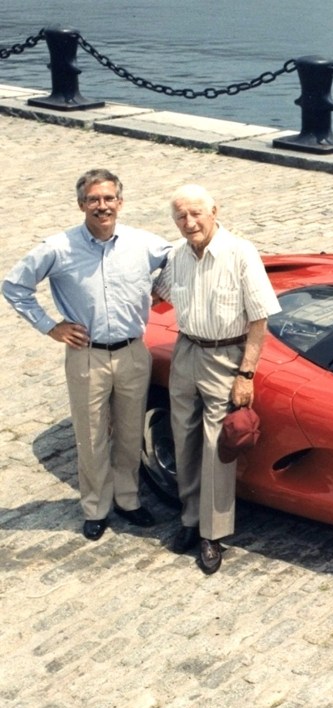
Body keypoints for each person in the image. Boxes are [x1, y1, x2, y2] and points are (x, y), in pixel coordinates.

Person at [2, 169, 171, 540]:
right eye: (93, 199)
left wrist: (161, 287)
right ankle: (95, 507)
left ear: (120, 203)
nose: (102, 206)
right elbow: (14, 286)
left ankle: (128, 500)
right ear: (82, 204)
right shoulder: (58, 248)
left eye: (109, 198)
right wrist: (50, 326)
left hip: (132, 352)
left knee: (129, 434)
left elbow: (178, 260)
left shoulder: (143, 243)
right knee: (91, 435)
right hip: (86, 355)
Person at [153, 184, 280, 575]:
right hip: (187, 350)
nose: (189, 222)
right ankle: (190, 519)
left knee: (216, 445)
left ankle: (213, 533)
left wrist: (246, 373)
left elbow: (259, 317)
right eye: (181, 217)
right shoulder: (176, 255)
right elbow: (159, 290)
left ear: (214, 211)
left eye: (196, 214)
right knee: (184, 438)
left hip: (227, 355)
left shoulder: (241, 252)